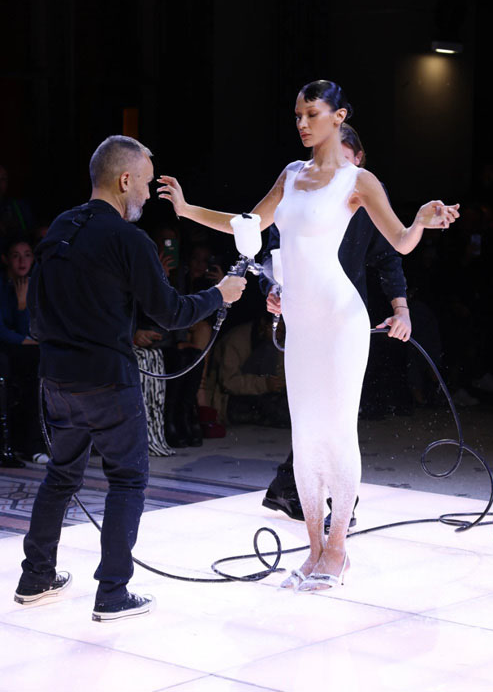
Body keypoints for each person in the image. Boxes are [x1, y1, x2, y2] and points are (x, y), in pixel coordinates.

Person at [157, 79, 459, 592]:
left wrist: (422, 221)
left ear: (339, 117)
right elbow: (248, 224)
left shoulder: (358, 181)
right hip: (300, 321)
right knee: (305, 435)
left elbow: (401, 243)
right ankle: (314, 549)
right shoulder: (291, 174)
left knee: (337, 432)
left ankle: (338, 550)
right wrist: (187, 210)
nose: (301, 123)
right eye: (297, 114)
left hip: (341, 320)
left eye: (312, 114)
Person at [14, 135, 246, 621]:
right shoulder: (128, 239)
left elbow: (35, 309)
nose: (145, 193)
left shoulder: (61, 227)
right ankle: (113, 593)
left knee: (61, 475)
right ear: (124, 180)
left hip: (56, 381)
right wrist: (219, 295)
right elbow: (171, 312)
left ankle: (36, 578)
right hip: (107, 383)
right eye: (144, 182)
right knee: (127, 479)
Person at [259, 123, 411, 525]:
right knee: (311, 412)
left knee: (337, 414)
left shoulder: (362, 190)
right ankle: (292, 487)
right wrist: (272, 288)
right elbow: (274, 248)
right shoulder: (299, 184)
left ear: (358, 160)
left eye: (340, 158)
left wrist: (401, 309)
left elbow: (392, 252)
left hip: (343, 315)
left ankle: (339, 510)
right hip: (303, 312)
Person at [0, 237, 46, 464]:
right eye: (16, 256)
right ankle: (26, 444)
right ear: (5, 259)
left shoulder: (32, 283)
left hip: (23, 350)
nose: (22, 261)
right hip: (7, 349)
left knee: (41, 364)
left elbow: (30, 328)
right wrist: (19, 306)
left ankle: (36, 444)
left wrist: (22, 305)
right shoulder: (2, 285)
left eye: (27, 255)